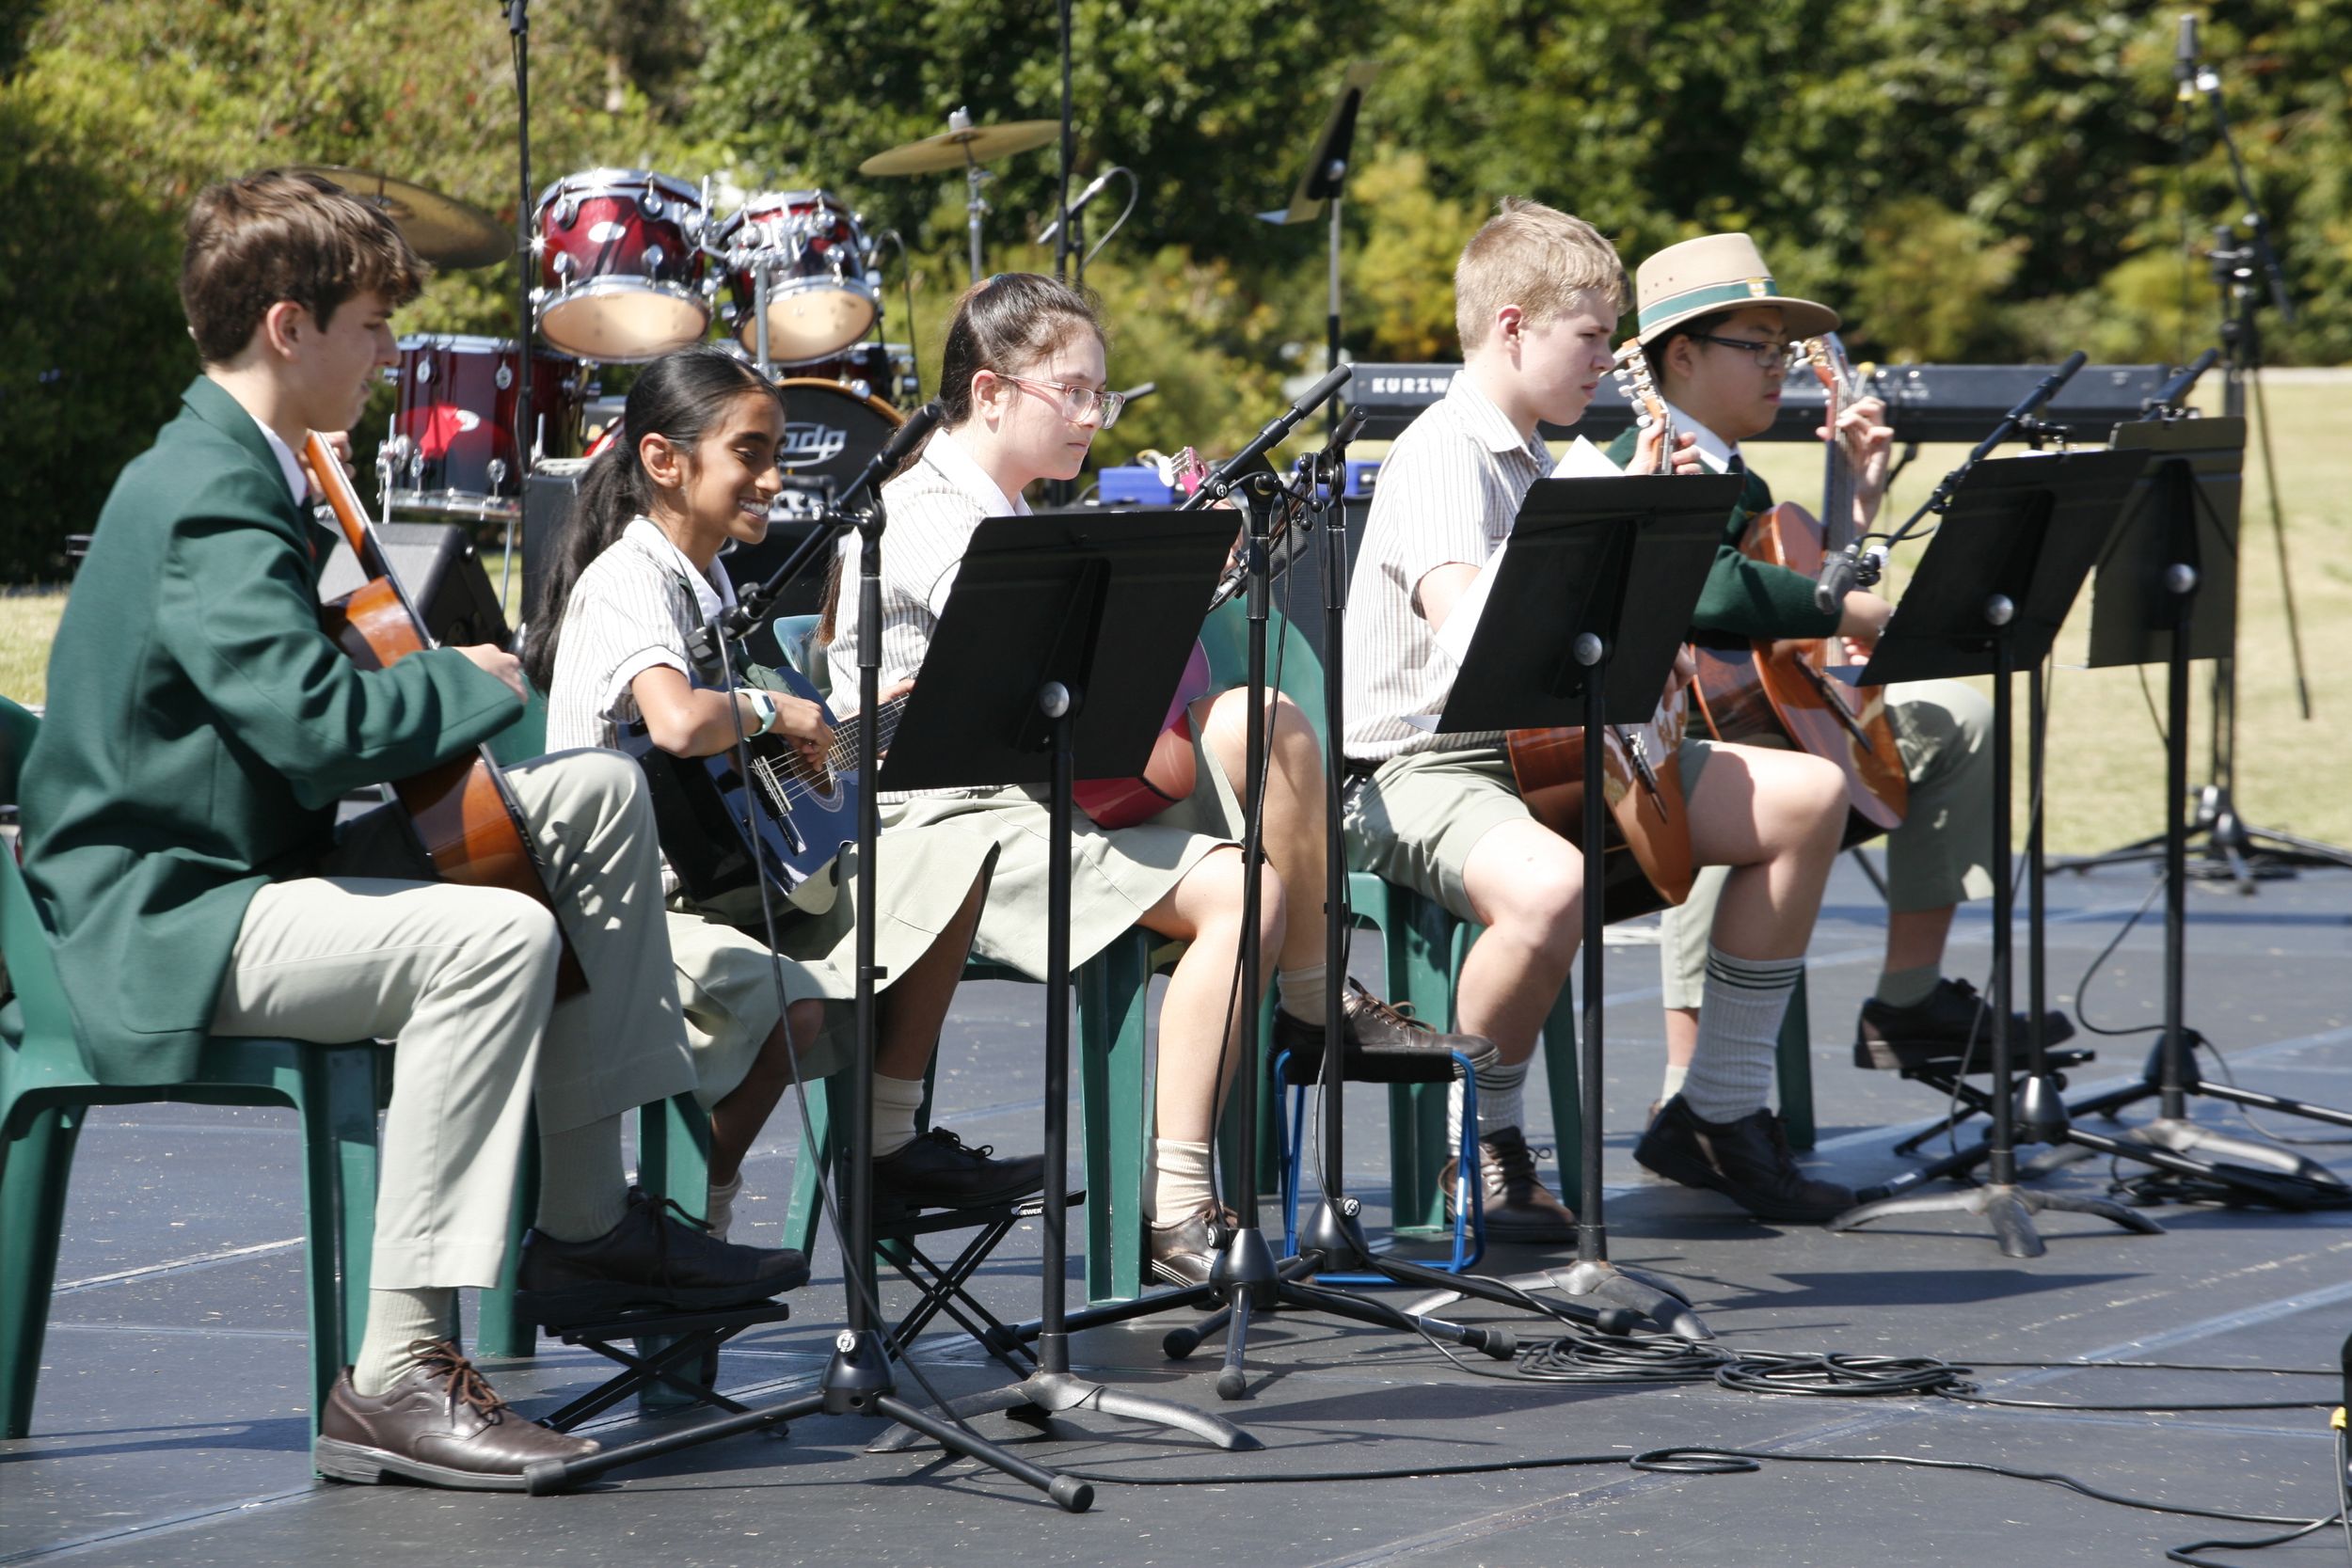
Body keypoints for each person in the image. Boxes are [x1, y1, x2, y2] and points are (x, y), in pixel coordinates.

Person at [15, 168, 810, 1492]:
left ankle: (585, 1224)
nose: (391, 353)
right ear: (289, 328)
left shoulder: (269, 465)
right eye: (375, 325)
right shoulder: (207, 486)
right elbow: (313, 726)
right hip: (166, 912)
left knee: (595, 790)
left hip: (251, 867)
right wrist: (464, 679)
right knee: (491, 938)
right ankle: (394, 1368)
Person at [822, 271, 1488, 1286]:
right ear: (990, 393)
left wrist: (1181, 584)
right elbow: (1032, 665)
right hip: (954, 817)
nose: (1094, 415)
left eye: (1104, 395)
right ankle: (1178, 1205)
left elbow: (1084, 697)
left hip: (1046, 789)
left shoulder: (1006, 505)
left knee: (1267, 724)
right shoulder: (925, 513)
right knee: (1242, 891)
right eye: (1073, 392)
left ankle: (1309, 1007)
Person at [1343, 198, 1858, 1227]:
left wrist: (1650, 548)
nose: (1607, 362)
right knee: (1551, 889)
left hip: (1550, 746)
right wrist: (1602, 521)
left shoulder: (1540, 456)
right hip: (1421, 765)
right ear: (1511, 327)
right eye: (1588, 337)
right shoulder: (1445, 450)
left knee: (1808, 795)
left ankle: (1716, 1111)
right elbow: (1471, 634)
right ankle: (1482, 1145)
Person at [529, 345, 1043, 1235]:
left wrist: (844, 730)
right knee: (794, 1004)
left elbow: (723, 771)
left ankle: (888, 1143)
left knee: (955, 856)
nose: (773, 479)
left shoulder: (707, 577)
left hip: (717, 884)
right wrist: (775, 710)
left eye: (776, 456)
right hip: (629, 905)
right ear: (663, 460)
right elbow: (678, 723)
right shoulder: (629, 576)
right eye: (750, 453)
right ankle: (692, 1222)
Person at [1603, 233, 2069, 1110]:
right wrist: (1846, 609)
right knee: (1755, 760)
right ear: (1682, 356)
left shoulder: (1732, 470)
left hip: (1751, 720)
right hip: (1652, 749)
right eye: (1756, 346)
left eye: (1783, 350)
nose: (1776, 368)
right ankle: (1690, 1090)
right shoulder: (1655, 455)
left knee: (1960, 721)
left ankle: (1909, 1000)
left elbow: (1794, 602)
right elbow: (1705, 587)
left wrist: (1859, 501)